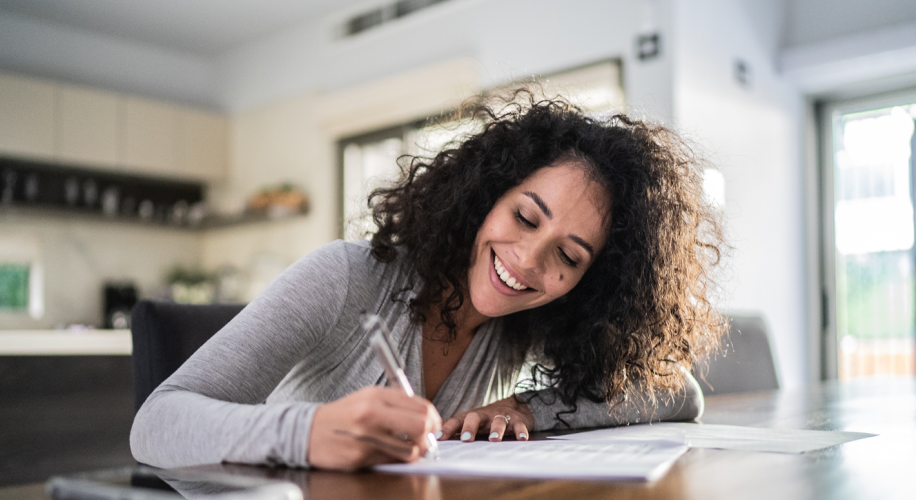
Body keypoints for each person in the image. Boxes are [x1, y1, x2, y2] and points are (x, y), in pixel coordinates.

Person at [130, 89, 724, 471]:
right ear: (486, 194)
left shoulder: (524, 321)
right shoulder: (345, 278)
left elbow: (679, 393)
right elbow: (155, 423)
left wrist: (526, 407)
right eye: (523, 217)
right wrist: (308, 433)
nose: (526, 262)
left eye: (567, 257)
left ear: (590, 283)